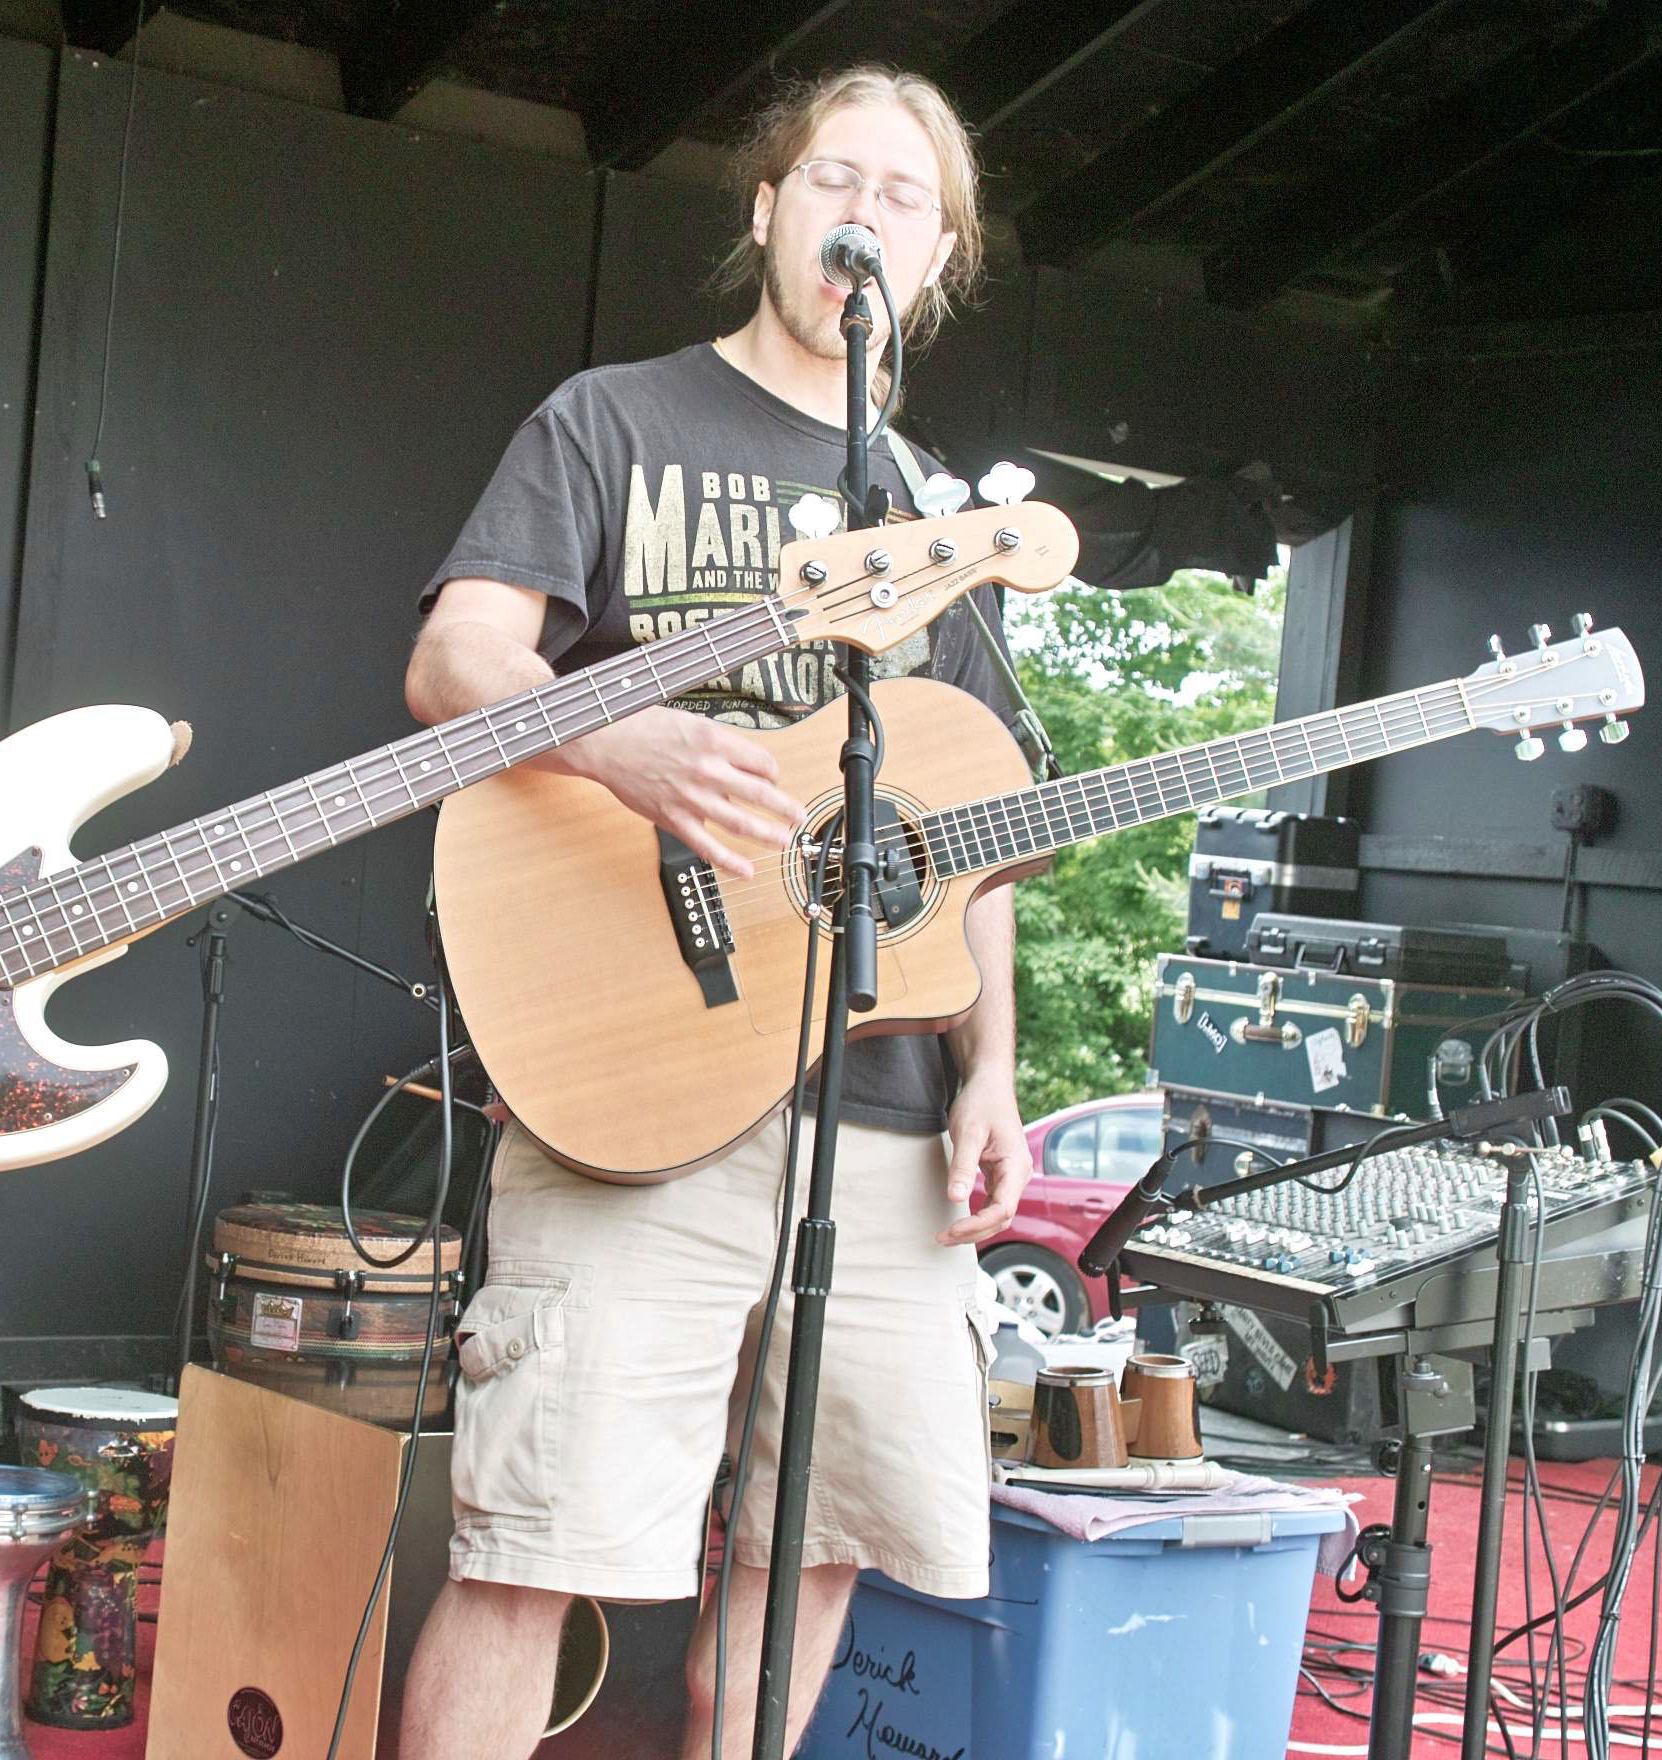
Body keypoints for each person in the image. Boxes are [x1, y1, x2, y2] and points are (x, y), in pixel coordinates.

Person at [398, 65, 1037, 1760]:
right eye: (838, 178)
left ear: (941, 257)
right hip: (633, 1082)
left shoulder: (945, 517)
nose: (866, 214)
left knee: (811, 1563)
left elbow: (969, 832)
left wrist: (994, 1073)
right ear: (767, 207)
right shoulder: (613, 420)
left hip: (882, 1116)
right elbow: (456, 659)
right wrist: (619, 741)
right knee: (534, 1549)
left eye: (907, 198)